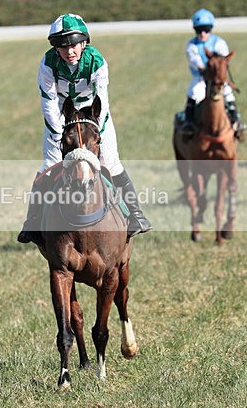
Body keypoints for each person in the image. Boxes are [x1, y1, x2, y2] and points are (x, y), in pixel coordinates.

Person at [17, 13, 152, 246]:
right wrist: (59, 134)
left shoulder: (97, 61)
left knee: (110, 162)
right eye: (62, 46)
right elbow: (48, 101)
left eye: (74, 45)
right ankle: (33, 222)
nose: (69, 51)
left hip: (94, 116)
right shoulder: (48, 62)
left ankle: (135, 215)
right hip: (61, 117)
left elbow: (102, 99)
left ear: (84, 43)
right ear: (55, 47)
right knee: (48, 168)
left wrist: (95, 126)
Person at [182, 8, 247, 139]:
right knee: (193, 92)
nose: (202, 33)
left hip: (217, 79)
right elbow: (196, 61)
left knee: (228, 93)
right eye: (199, 30)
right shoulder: (191, 45)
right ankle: (188, 123)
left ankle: (236, 121)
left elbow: (223, 60)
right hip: (200, 78)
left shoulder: (219, 42)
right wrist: (204, 69)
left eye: (206, 29)